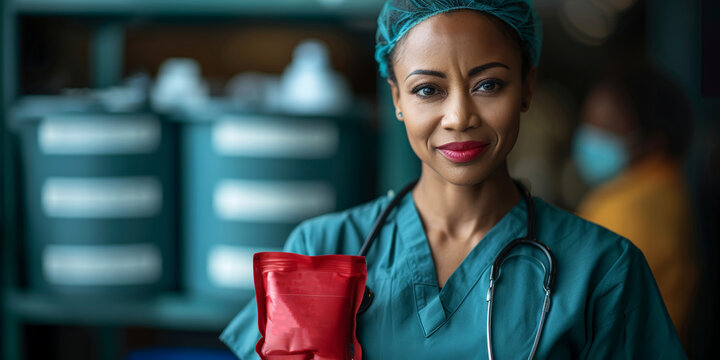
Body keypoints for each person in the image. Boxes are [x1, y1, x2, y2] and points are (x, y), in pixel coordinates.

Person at [221, 1, 685, 358]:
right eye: (428, 90)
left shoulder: (603, 270)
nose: (459, 116)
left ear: (527, 86)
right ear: (397, 99)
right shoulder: (321, 249)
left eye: (489, 85)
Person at [573, 67, 698, 343]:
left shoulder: (626, 210)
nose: (589, 137)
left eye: (606, 125)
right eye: (588, 123)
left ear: (653, 141)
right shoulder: (668, 191)